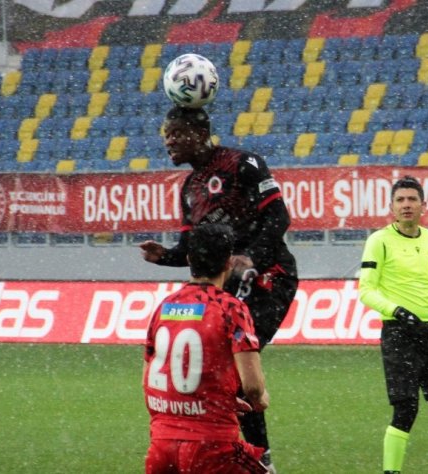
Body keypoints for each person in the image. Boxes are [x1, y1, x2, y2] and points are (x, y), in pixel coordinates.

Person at [140, 105, 298, 472]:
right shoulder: (189, 188)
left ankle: (259, 459)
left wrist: (250, 258)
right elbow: (196, 254)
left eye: (176, 134)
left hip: (270, 278)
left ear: (201, 134)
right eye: (166, 135)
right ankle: (216, 445)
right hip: (228, 285)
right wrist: (164, 256)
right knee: (217, 372)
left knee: (237, 374)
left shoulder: (243, 164)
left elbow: (280, 218)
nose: (169, 141)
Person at [358, 175, 428, 474]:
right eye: (400, 200)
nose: (406, 205)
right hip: (399, 334)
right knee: (406, 410)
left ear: (423, 206)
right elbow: (366, 290)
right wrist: (397, 311)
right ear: (391, 207)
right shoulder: (378, 241)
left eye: (412, 200)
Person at [143, 223, 270, 474]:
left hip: (161, 446)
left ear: (189, 259)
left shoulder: (164, 306)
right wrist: (259, 399)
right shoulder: (230, 307)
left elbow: (148, 380)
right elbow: (253, 387)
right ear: (228, 264)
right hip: (213, 446)